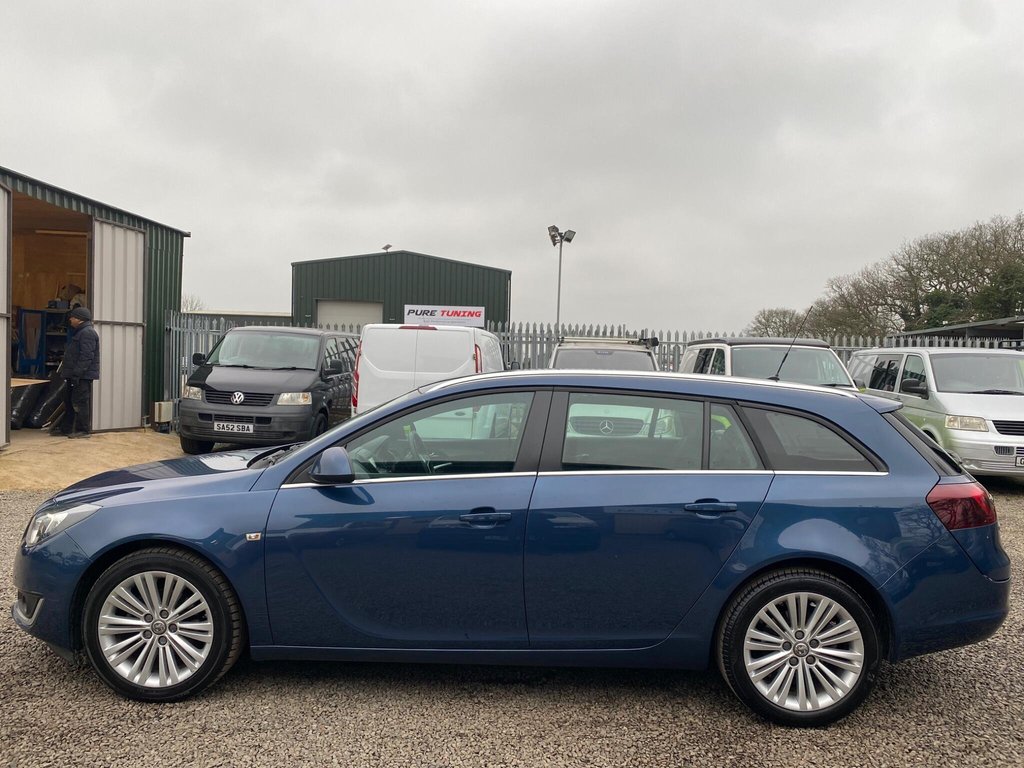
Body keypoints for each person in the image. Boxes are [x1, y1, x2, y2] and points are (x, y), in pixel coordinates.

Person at [51, 306, 100, 438]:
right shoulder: (80, 332)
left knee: (80, 403)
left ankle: (83, 431)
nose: (70, 320)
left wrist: (77, 374)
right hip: (75, 375)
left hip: (82, 376)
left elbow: (86, 356)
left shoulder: (87, 333)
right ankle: (66, 429)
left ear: (79, 319)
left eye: (72, 317)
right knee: (69, 401)